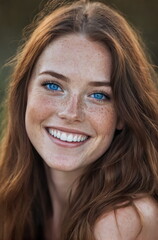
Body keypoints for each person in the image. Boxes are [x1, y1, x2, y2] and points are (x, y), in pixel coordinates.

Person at [0, 0, 158, 239]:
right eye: (53, 85)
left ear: (122, 115)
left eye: (98, 95)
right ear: (25, 94)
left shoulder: (122, 222)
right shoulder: (9, 197)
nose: (71, 112)